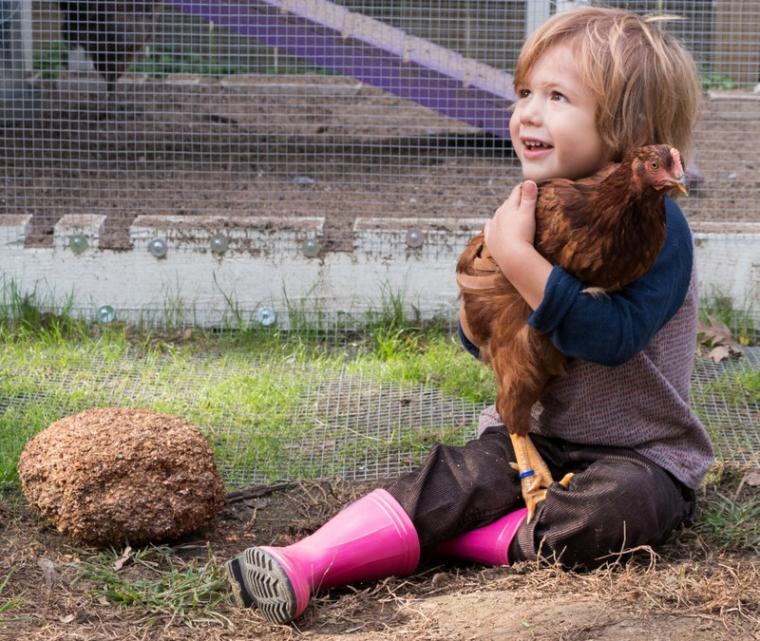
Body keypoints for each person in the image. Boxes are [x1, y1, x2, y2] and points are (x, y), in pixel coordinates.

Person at [224, 6, 714, 625]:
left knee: (620, 509)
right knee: (455, 481)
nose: (528, 112)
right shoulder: (533, 205)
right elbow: (481, 334)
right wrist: (485, 311)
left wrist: (515, 257)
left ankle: (468, 539)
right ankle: (305, 560)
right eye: (525, 93)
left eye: (557, 96)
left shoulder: (662, 230)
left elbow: (613, 338)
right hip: (532, 431)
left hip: (641, 453)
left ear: (630, 128)